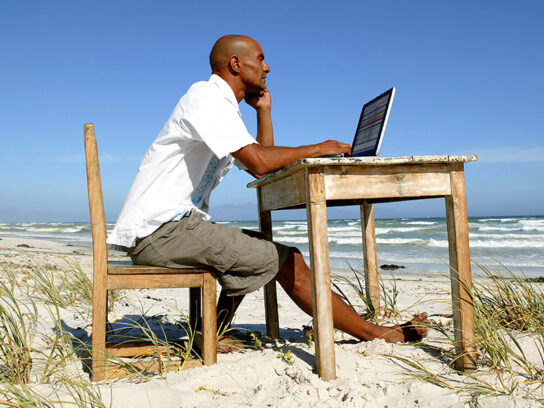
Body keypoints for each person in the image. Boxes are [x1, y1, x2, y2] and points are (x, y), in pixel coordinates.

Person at [107, 34, 428, 345]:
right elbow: (260, 162)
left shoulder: (220, 106)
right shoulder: (205, 98)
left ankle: (210, 332)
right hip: (161, 234)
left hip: (172, 230)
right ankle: (378, 333)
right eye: (260, 59)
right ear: (235, 64)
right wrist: (319, 148)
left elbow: (262, 160)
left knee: (255, 246)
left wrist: (263, 110)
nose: (268, 67)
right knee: (288, 260)